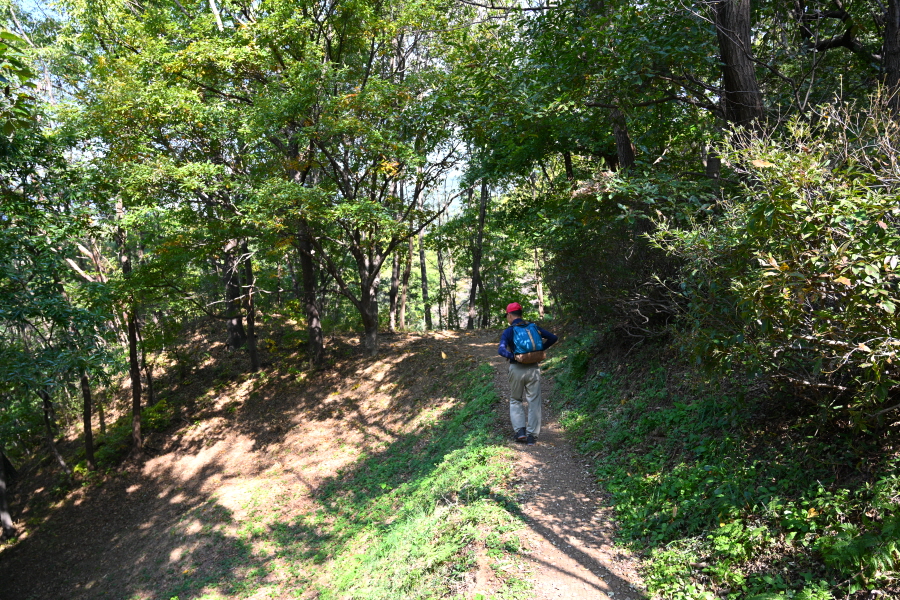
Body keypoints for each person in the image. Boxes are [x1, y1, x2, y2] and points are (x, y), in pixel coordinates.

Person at [497, 302, 558, 445]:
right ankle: (532, 436)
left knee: (515, 399)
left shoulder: (509, 331)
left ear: (510, 315)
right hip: (533, 369)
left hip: (516, 369)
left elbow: (501, 350)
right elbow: (553, 338)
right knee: (534, 401)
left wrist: (514, 356)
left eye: (507, 316)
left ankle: (520, 431)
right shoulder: (533, 327)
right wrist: (539, 351)